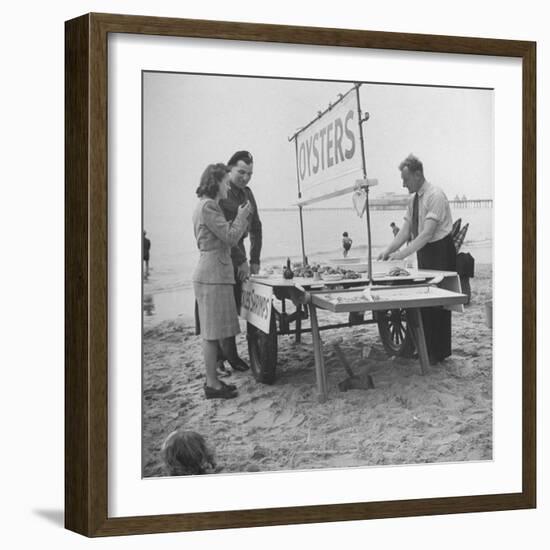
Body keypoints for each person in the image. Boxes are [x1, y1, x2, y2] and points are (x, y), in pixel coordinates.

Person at [378, 154, 455, 364]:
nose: (403, 183)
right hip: (425, 250)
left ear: (418, 174)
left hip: (440, 250)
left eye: (406, 179)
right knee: (424, 299)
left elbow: (427, 233)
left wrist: (402, 254)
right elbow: (405, 232)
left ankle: (438, 352)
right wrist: (387, 251)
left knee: (439, 302)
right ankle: (425, 347)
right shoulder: (413, 200)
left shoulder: (435, 195)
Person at [193, 163, 252, 398]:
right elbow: (230, 237)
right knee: (211, 334)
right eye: (225, 182)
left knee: (212, 333)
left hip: (211, 273)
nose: (228, 186)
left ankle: (213, 381)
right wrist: (241, 216)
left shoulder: (206, 206)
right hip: (213, 276)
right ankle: (212, 384)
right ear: (215, 182)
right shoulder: (209, 206)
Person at [218, 150, 262, 372]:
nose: (245, 178)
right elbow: (227, 235)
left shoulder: (247, 193)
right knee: (224, 308)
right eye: (241, 172)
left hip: (242, 251)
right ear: (229, 169)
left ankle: (230, 355)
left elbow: (256, 227)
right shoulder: (222, 193)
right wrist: (242, 261)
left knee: (238, 304)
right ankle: (226, 357)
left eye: (250, 174)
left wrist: (254, 259)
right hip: (224, 254)